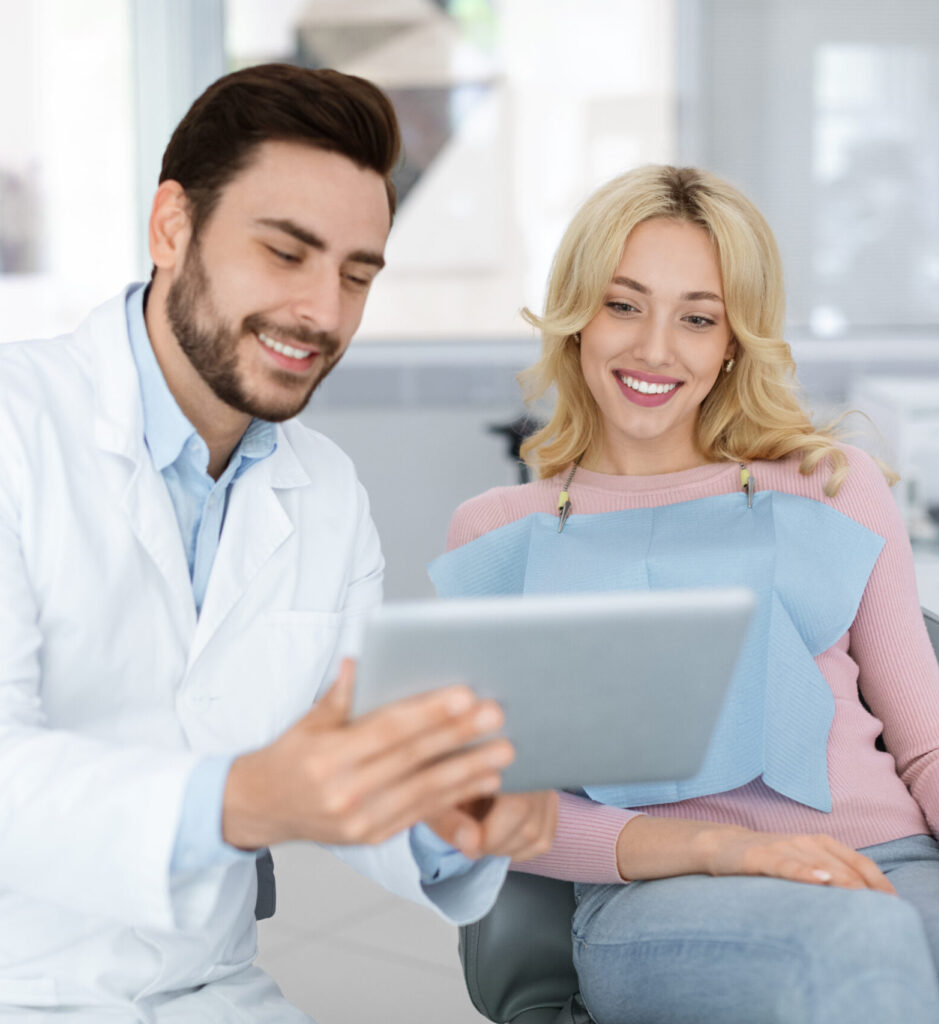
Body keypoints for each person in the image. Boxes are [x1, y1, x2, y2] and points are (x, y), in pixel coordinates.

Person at [0, 63, 557, 1023]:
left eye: (356, 274)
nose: (325, 313)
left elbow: (340, 758)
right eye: (286, 253)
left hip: (207, 989)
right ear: (172, 226)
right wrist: (240, 799)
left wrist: (446, 825)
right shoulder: (18, 430)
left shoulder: (327, 492)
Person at [433, 165, 939, 1024]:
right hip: (668, 888)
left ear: (733, 341)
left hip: (893, 857)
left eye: (697, 317)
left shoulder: (833, 486)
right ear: (577, 317)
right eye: (623, 304)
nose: (655, 348)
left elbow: (932, 744)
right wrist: (718, 848)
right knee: (860, 946)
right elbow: (487, 806)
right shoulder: (498, 532)